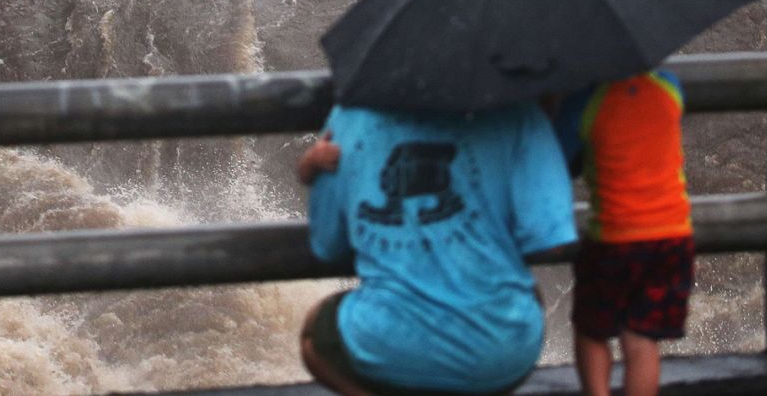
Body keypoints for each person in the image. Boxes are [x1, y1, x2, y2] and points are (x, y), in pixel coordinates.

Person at [297, 101, 577, 395]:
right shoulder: (521, 115)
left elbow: (327, 246)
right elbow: (551, 243)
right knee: (528, 295)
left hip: (389, 345)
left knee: (315, 333)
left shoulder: (350, 117)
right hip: (500, 353)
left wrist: (311, 170)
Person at [551, 70, 695, 396]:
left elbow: (559, 159)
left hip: (616, 239)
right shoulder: (669, 86)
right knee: (642, 339)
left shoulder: (586, 101)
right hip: (673, 235)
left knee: (592, 332)